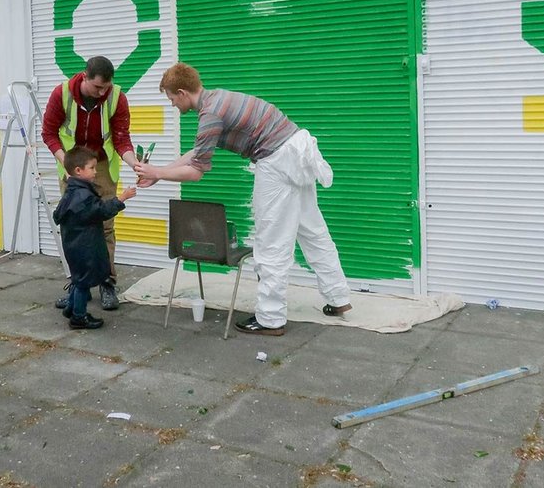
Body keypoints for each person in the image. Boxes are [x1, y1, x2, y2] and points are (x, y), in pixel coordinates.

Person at [134, 62, 353, 336]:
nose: (172, 105)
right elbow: (199, 151)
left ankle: (271, 319)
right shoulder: (217, 98)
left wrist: (158, 172)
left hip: (276, 162)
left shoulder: (210, 114)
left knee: (270, 242)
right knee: (313, 233)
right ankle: (339, 298)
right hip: (296, 152)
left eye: (171, 99)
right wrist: (159, 173)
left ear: (181, 92)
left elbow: (196, 172)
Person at [41, 56, 139, 311]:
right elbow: (48, 133)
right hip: (72, 166)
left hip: (102, 166)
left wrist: (134, 163)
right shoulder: (61, 95)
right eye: (97, 88)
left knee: (105, 226)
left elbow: (121, 138)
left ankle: (107, 283)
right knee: (74, 228)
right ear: (84, 77)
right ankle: (78, 285)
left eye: (106, 88)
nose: (102, 93)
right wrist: (68, 164)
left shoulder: (117, 98)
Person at [52, 146, 136, 329]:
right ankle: (79, 318)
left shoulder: (71, 192)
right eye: (92, 168)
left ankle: (71, 308)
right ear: (78, 170)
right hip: (85, 246)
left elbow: (57, 215)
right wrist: (122, 198)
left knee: (78, 278)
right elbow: (101, 211)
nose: (95, 172)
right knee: (83, 283)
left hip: (72, 244)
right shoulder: (83, 195)